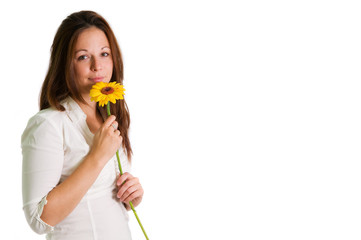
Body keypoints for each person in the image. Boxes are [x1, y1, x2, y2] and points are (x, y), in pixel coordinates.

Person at [21, 11, 143, 240]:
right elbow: (38, 219)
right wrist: (96, 157)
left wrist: (130, 198)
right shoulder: (49, 125)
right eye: (83, 57)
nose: (97, 66)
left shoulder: (112, 118)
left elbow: (101, 198)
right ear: (65, 64)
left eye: (104, 54)